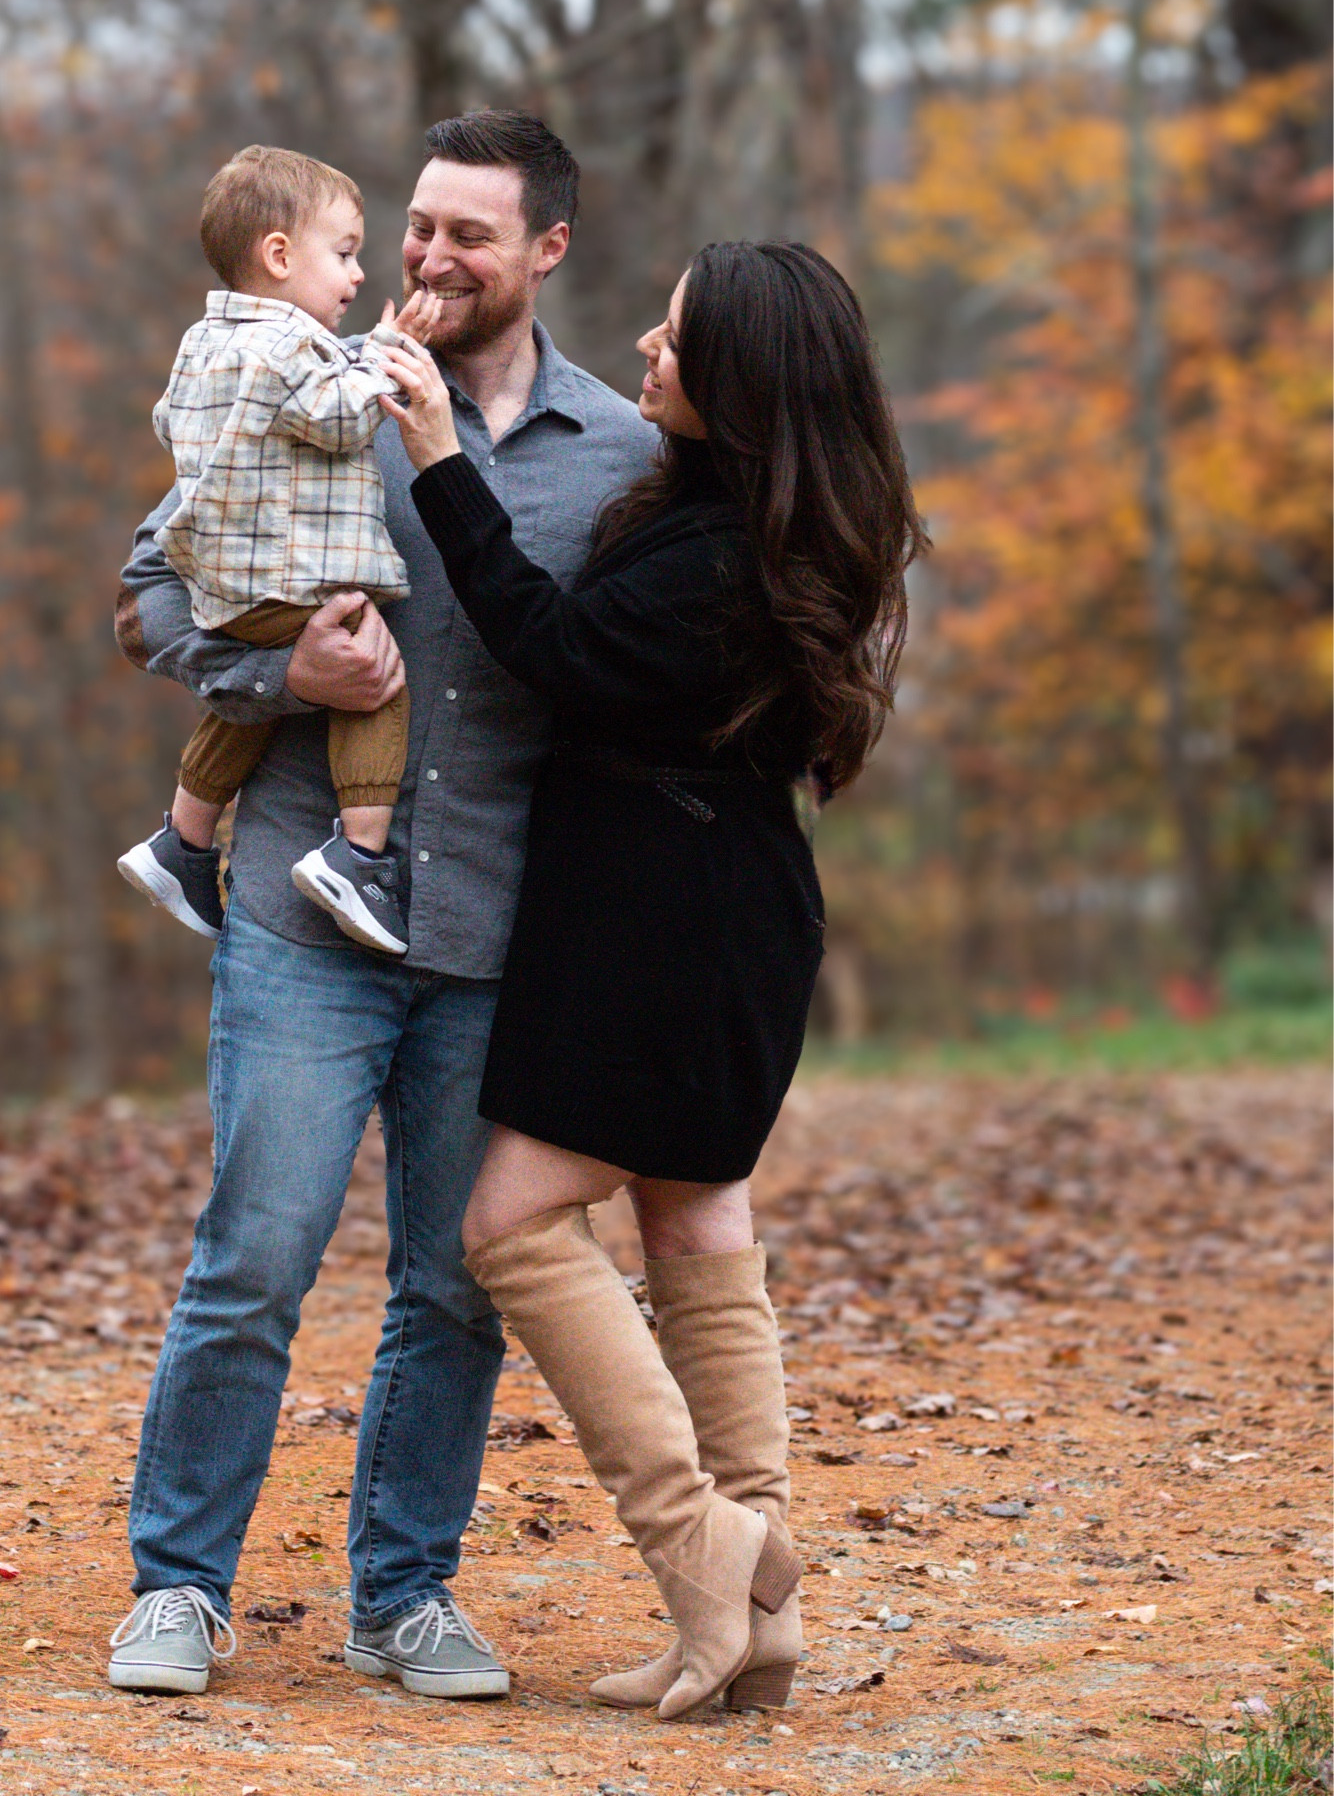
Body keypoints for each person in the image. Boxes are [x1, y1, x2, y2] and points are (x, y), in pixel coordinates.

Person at [105, 112, 655, 1697]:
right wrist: (282, 671)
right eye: (414, 226)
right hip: (297, 913)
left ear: (546, 249)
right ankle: (179, 1586)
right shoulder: (305, 378)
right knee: (253, 1261)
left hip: (491, 940)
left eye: (467, 235)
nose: (426, 258)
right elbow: (146, 599)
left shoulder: (619, 454)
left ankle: (402, 1596)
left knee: (448, 1282)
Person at [377, 240, 926, 1719]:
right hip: (721, 904)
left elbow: (553, 648)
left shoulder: (727, 549)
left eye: (675, 339)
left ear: (737, 377)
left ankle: (705, 1556)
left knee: (510, 1225)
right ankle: (753, 1625)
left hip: (660, 920)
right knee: (695, 1222)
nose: (643, 345)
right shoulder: (755, 518)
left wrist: (439, 459)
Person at [115, 143, 434, 957]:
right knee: (369, 682)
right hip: (293, 579)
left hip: (227, 589)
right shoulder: (288, 345)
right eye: (346, 253)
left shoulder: (204, 342)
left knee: (254, 701)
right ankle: (359, 858)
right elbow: (341, 418)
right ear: (280, 256)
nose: (358, 276)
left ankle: (181, 841)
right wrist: (387, 360)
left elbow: (169, 423)